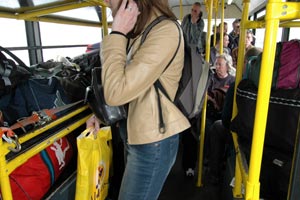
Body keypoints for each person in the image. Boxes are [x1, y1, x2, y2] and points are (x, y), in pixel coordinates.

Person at [86, 0, 190, 199]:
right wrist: (100, 115)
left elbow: (117, 91)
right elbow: (128, 84)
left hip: (153, 142)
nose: (107, 3)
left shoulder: (165, 32)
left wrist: (117, 34)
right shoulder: (143, 32)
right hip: (137, 134)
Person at [206, 47, 263, 185]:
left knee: (216, 127)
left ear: (248, 63)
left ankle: (214, 173)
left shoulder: (238, 84)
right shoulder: (272, 85)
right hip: (265, 138)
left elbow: (226, 119)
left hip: (242, 133)